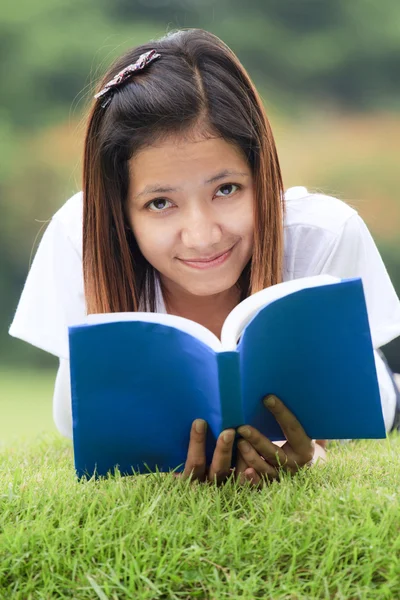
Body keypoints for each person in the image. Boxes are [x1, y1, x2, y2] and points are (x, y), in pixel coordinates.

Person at [9, 28, 400, 487]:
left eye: (226, 189)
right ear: (121, 211)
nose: (202, 236)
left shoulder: (324, 233)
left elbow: (351, 407)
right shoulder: (82, 238)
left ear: (262, 172)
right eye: (159, 203)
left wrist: (312, 453)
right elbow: (77, 423)